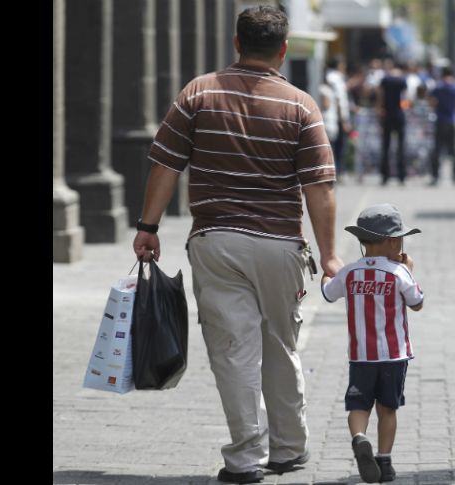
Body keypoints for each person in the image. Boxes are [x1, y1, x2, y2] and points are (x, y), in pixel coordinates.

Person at [132, 6, 343, 484]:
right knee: (280, 344)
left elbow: (165, 164)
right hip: (280, 245)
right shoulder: (300, 105)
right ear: (284, 50)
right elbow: (320, 187)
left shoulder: (198, 93)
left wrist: (148, 225)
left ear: (235, 42)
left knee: (232, 348)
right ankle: (289, 448)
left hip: (216, 239)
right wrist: (329, 254)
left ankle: (246, 458)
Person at [320, 204, 424, 483]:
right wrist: (409, 270)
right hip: (393, 355)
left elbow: (328, 294)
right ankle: (385, 461)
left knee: (359, 405)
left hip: (360, 356)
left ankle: (359, 437)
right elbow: (417, 303)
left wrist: (327, 274)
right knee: (387, 408)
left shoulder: (350, 273)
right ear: (393, 242)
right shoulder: (398, 272)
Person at [428, 66, 455, 185]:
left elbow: (431, 101)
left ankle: (435, 175)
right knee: (453, 149)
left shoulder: (438, 86)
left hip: (440, 120)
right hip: (453, 120)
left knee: (437, 149)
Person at [376, 60, 408, 185]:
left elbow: (380, 95)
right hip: (399, 114)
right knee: (401, 146)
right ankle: (402, 176)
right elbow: (406, 98)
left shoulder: (385, 79)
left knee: (386, 146)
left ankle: (385, 176)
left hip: (387, 114)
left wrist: (379, 109)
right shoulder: (402, 80)